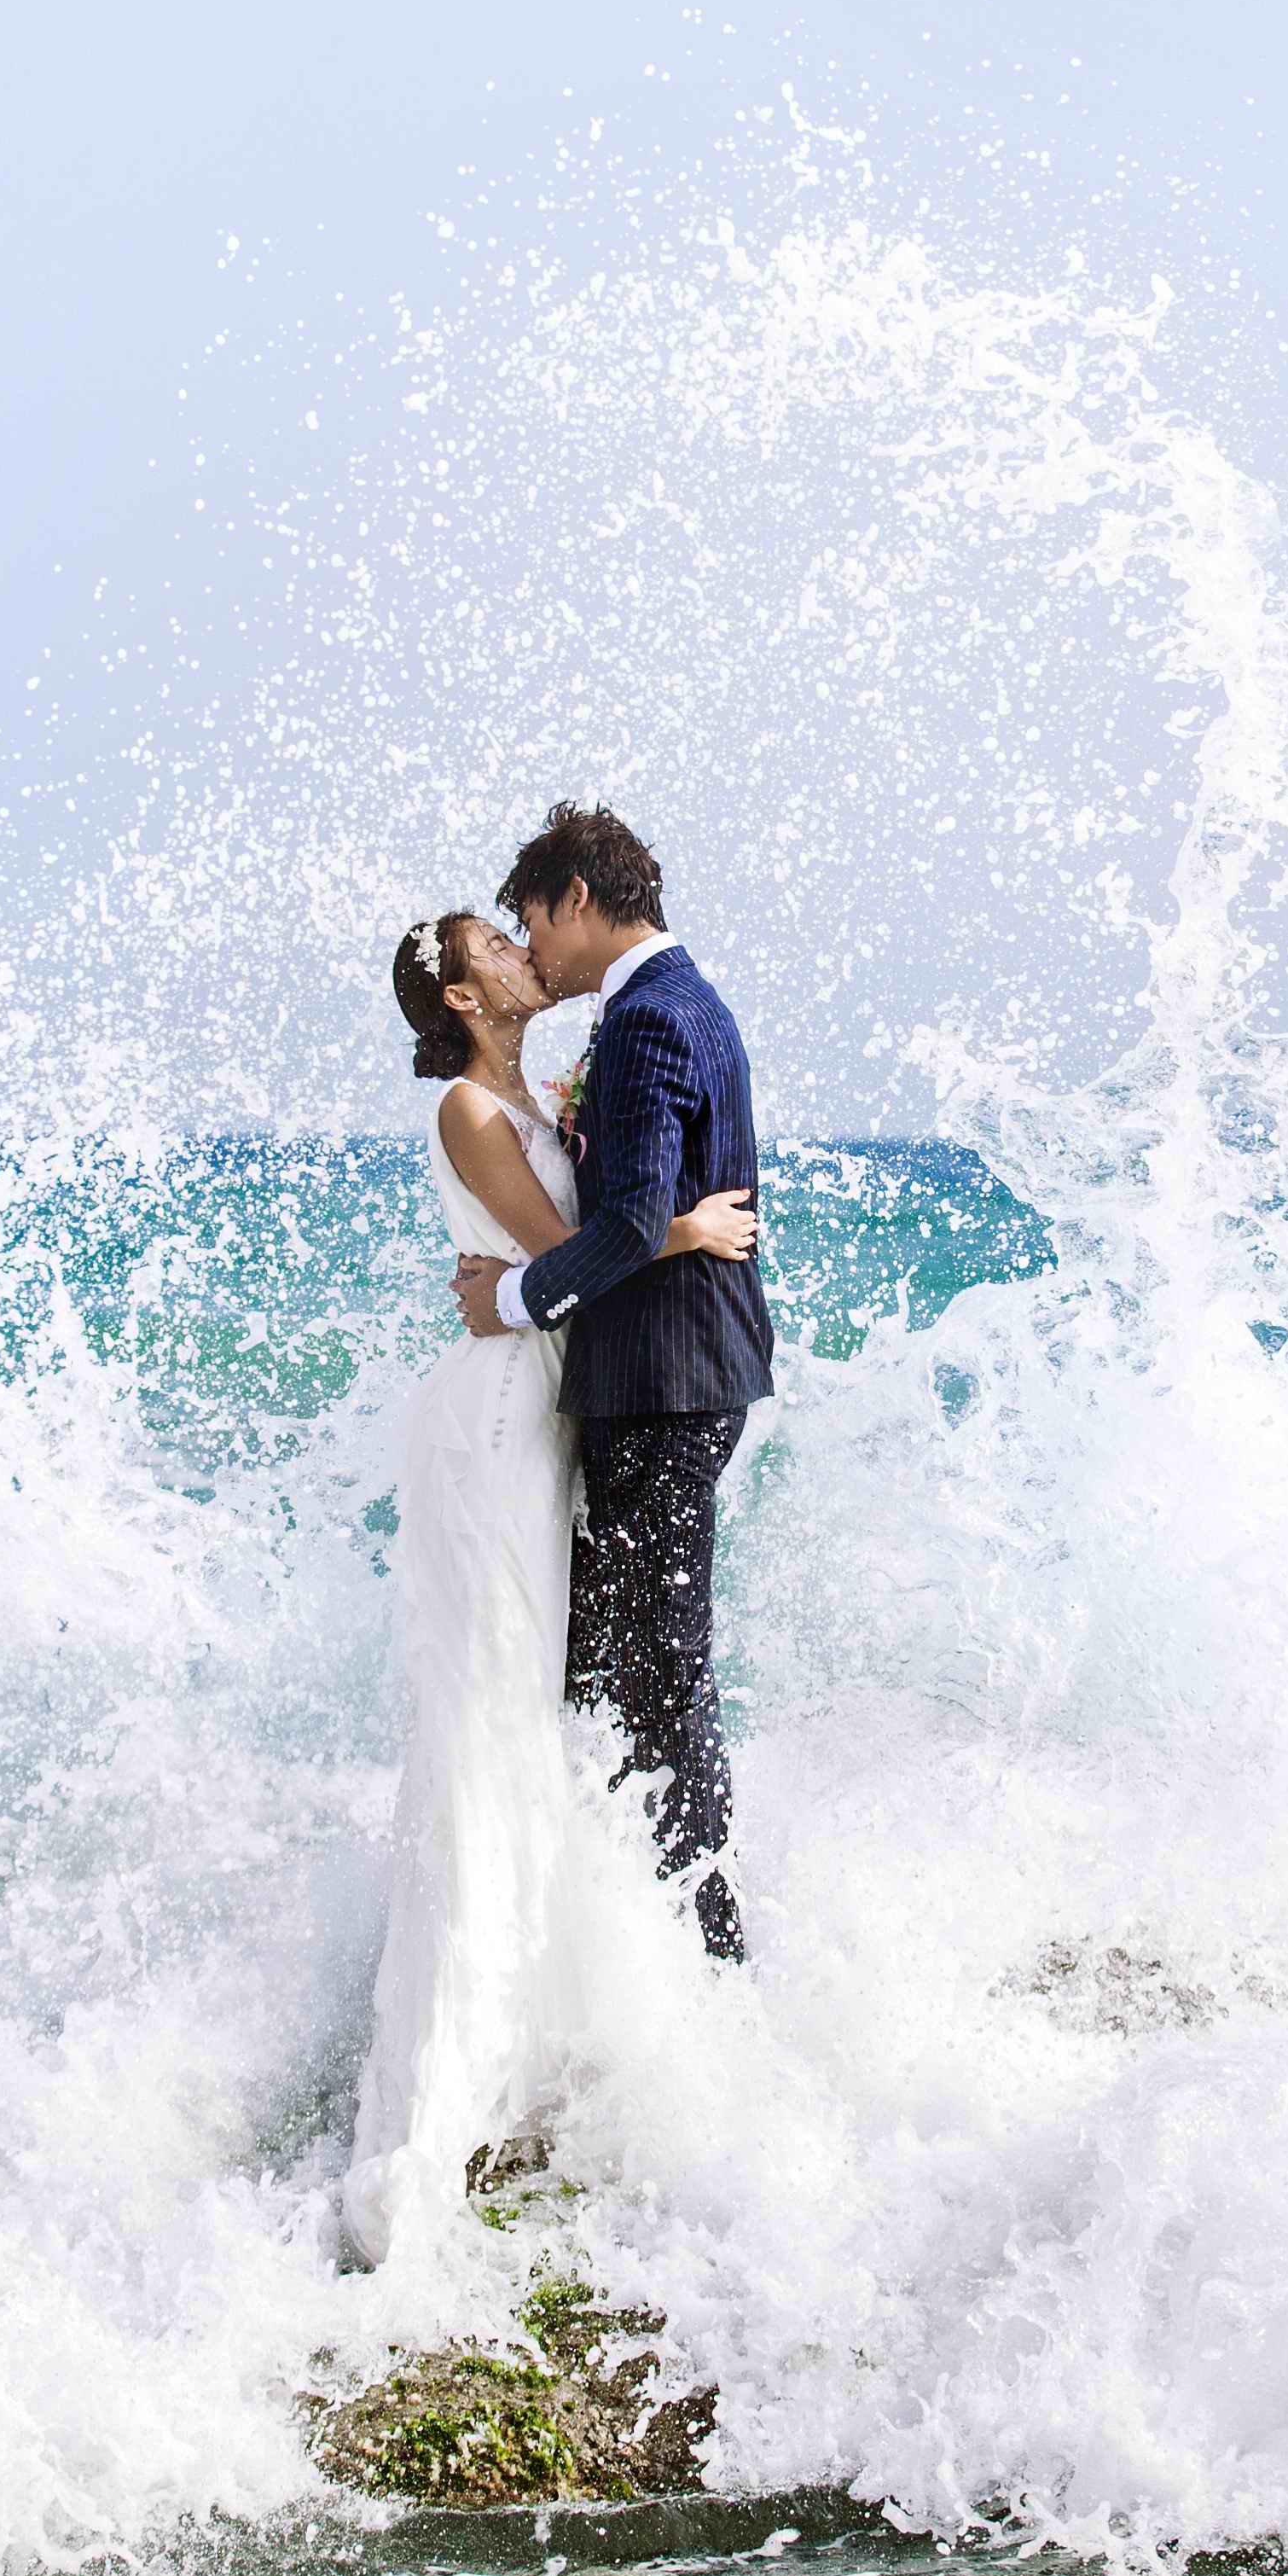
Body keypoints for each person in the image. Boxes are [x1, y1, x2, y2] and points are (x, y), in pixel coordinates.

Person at [341, 907, 755, 2267]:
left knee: (540, 1691)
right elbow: (567, 1263)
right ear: (462, 994)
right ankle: (452, 2075)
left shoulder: (536, 1088)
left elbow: (549, 1254)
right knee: (494, 1699)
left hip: (551, 1407)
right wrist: (682, 1228)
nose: (527, 954)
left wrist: (614, 1233)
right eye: (495, 947)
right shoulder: (470, 1106)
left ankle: (550, 2018)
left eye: (526, 934)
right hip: (500, 1415)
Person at [452, 802, 773, 1963]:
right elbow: (648, 1207)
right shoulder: (662, 1006)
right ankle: (615, 1938)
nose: (530, 948)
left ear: (576, 900)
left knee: (660, 1675)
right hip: (666, 1382)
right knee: (607, 1660)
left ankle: (712, 1957)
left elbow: (635, 1218)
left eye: (532, 921)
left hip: (664, 1386)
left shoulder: (649, 1020)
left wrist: (509, 1302)